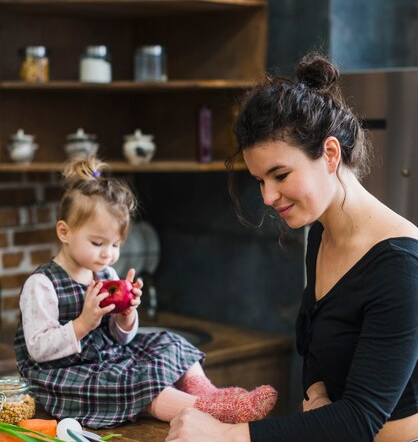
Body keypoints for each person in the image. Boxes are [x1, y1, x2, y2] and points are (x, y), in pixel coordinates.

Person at [143, 53, 418, 442]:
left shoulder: (401, 265)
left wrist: (227, 437)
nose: (268, 197)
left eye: (280, 175)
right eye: (260, 181)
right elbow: (317, 345)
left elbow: (362, 416)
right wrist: (319, 392)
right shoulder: (322, 233)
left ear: (329, 154)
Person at [15, 157, 277, 428]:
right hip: (63, 374)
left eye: (116, 244)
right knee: (129, 383)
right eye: (97, 242)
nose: (108, 253)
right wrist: (83, 323)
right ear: (64, 232)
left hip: (106, 357)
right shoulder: (43, 284)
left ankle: (205, 391)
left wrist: (126, 316)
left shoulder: (105, 274)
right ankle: (208, 409)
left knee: (170, 341)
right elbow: (38, 349)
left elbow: (120, 338)